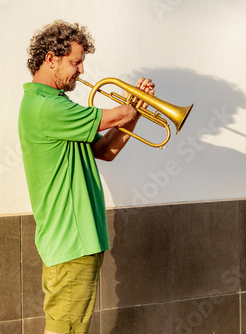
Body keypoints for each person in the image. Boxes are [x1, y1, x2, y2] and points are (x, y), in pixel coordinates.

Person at [18, 20, 155, 334]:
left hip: (78, 242)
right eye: (75, 62)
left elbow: (106, 150)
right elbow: (116, 116)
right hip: (71, 242)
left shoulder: (57, 105)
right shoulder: (44, 107)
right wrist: (135, 105)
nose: (81, 71)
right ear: (51, 58)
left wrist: (134, 113)